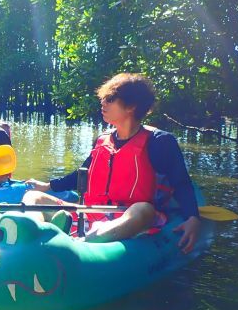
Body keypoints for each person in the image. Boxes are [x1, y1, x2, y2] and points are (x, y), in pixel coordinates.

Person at [22, 73, 201, 253]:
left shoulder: (159, 142)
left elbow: (181, 184)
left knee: (144, 209)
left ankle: (82, 243)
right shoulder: (103, 140)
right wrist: (47, 186)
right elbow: (82, 174)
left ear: (131, 106)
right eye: (103, 98)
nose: (103, 103)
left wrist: (193, 217)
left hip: (129, 215)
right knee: (33, 197)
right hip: (90, 212)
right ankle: (36, 235)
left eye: (110, 99)